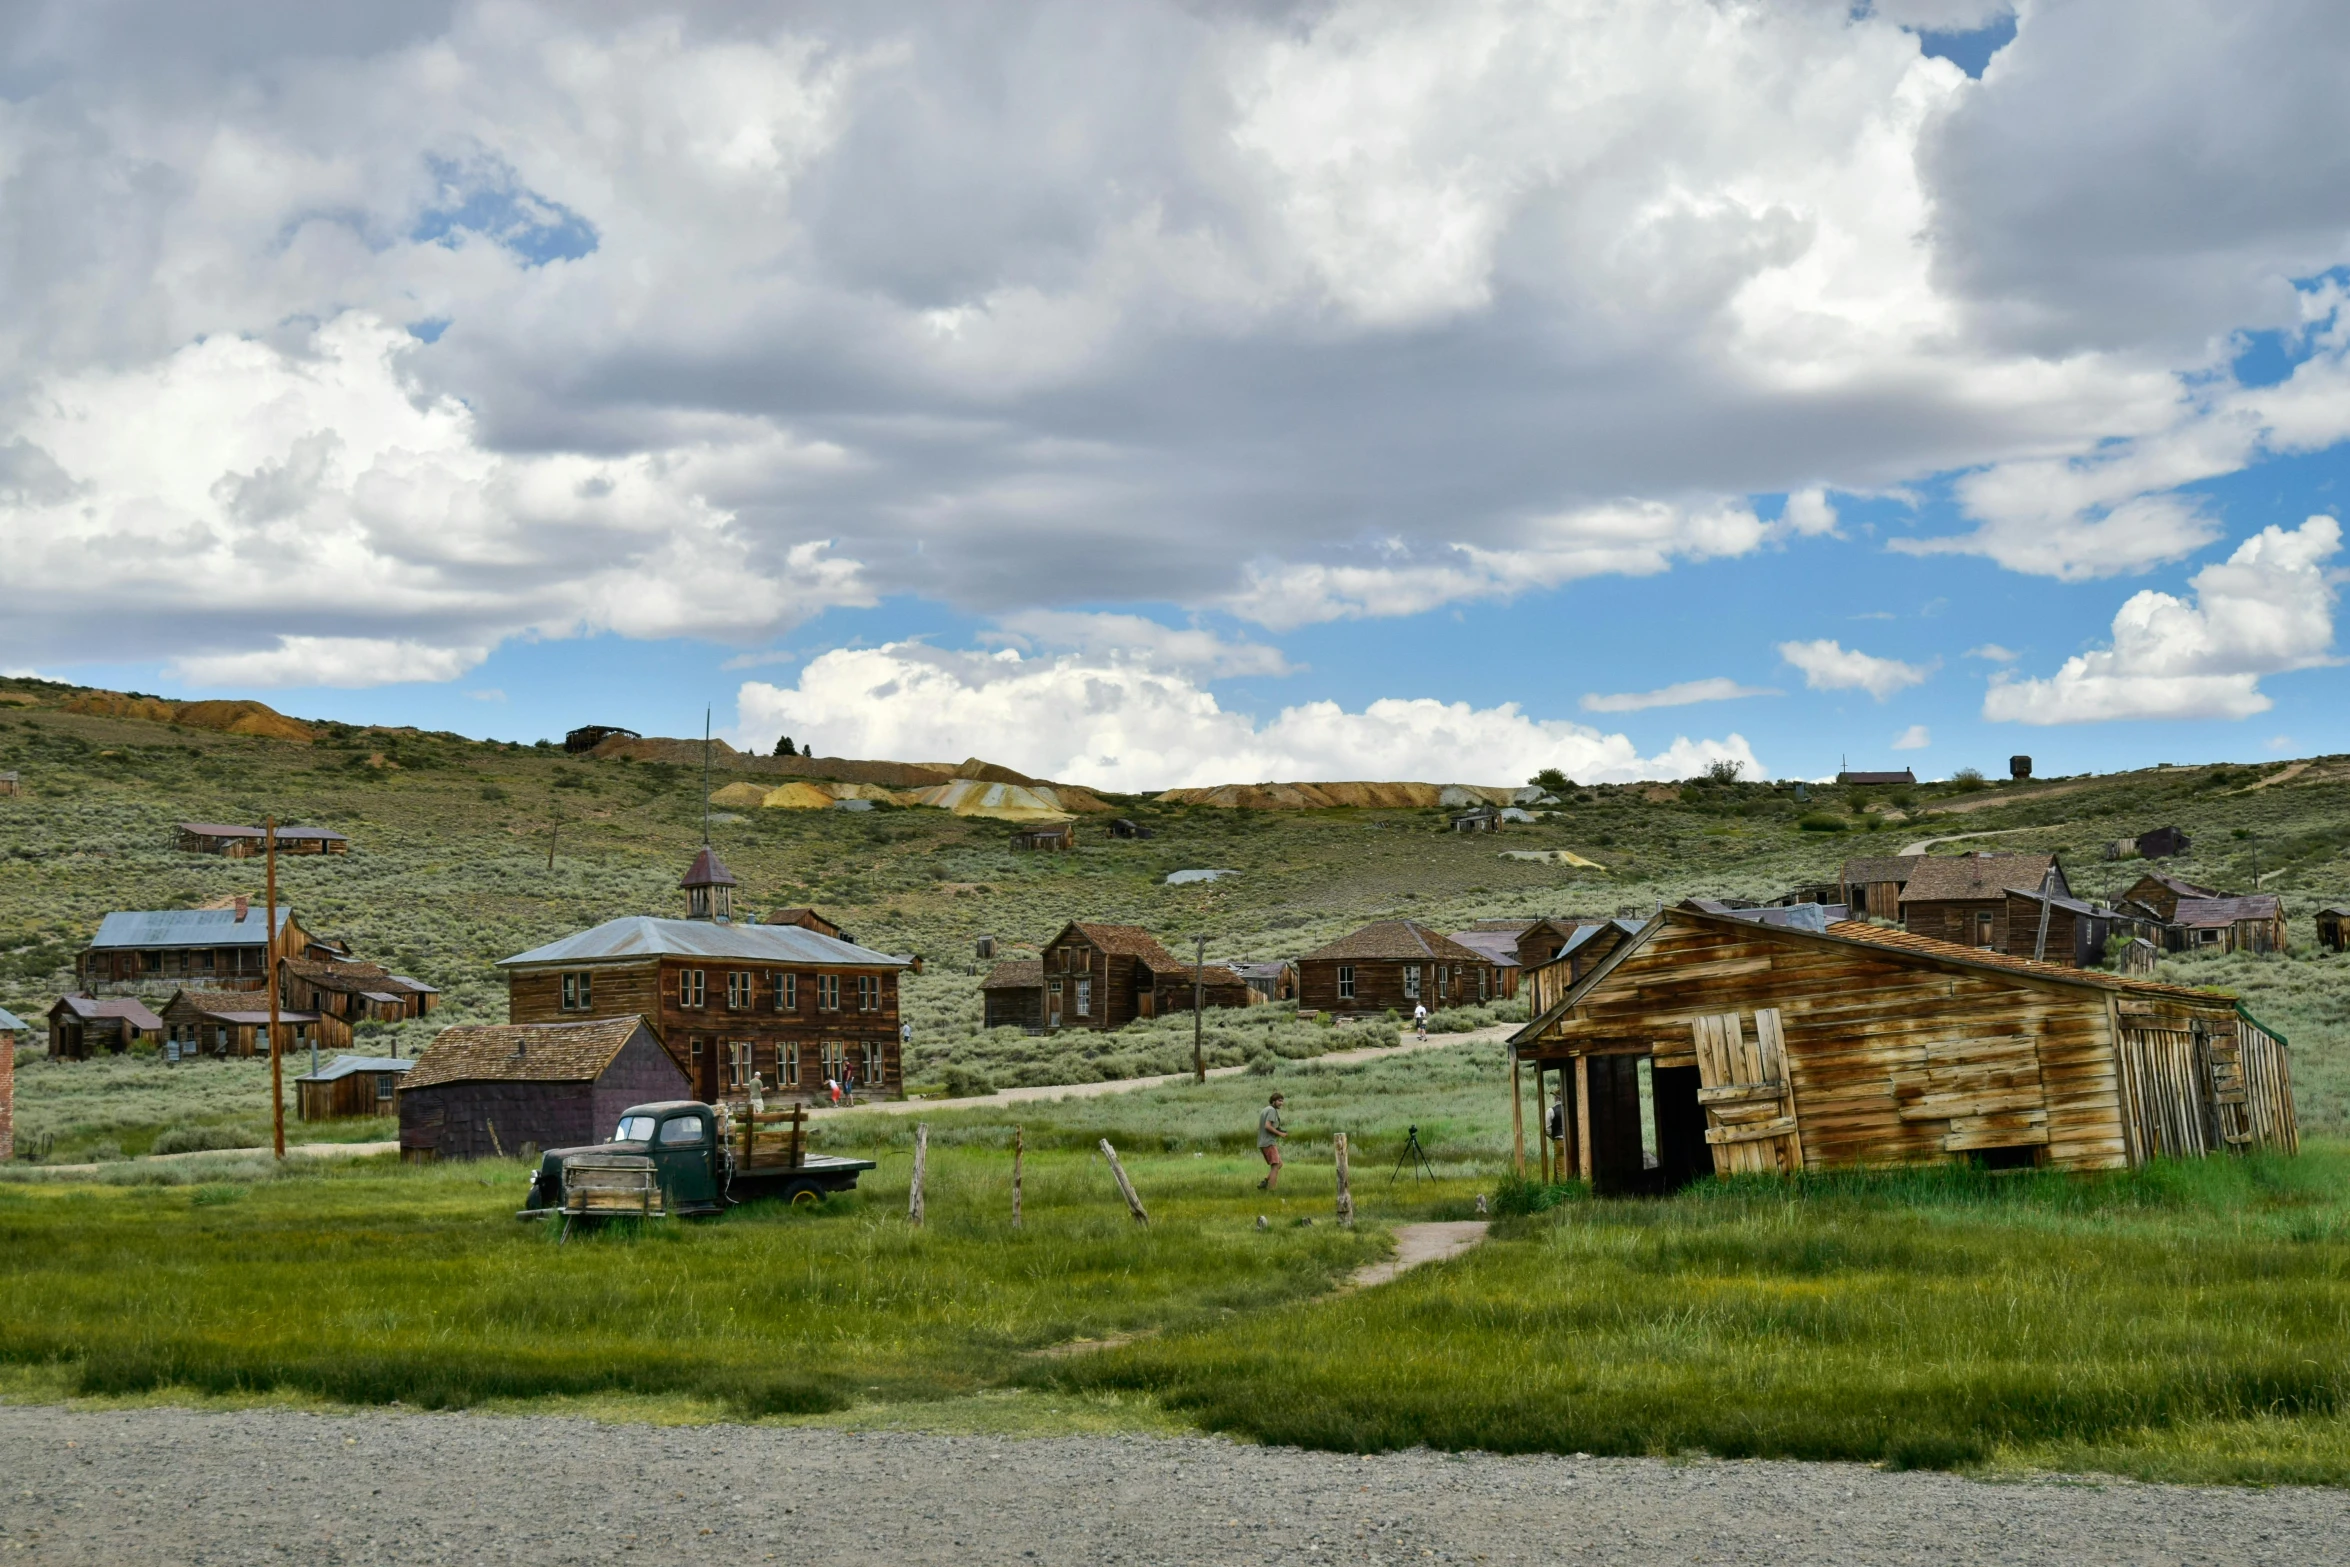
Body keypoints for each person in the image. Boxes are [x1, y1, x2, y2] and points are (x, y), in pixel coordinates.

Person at [1257, 1092, 1288, 1191]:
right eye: (1279, 1100)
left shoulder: (1265, 1109)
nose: (1281, 1103)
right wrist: (1280, 1134)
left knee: (1279, 1163)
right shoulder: (1272, 1111)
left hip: (1263, 1141)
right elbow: (1267, 1126)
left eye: (1282, 1101)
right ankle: (1272, 1190)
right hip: (1268, 1142)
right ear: (1273, 1101)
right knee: (1275, 1166)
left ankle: (1265, 1182)